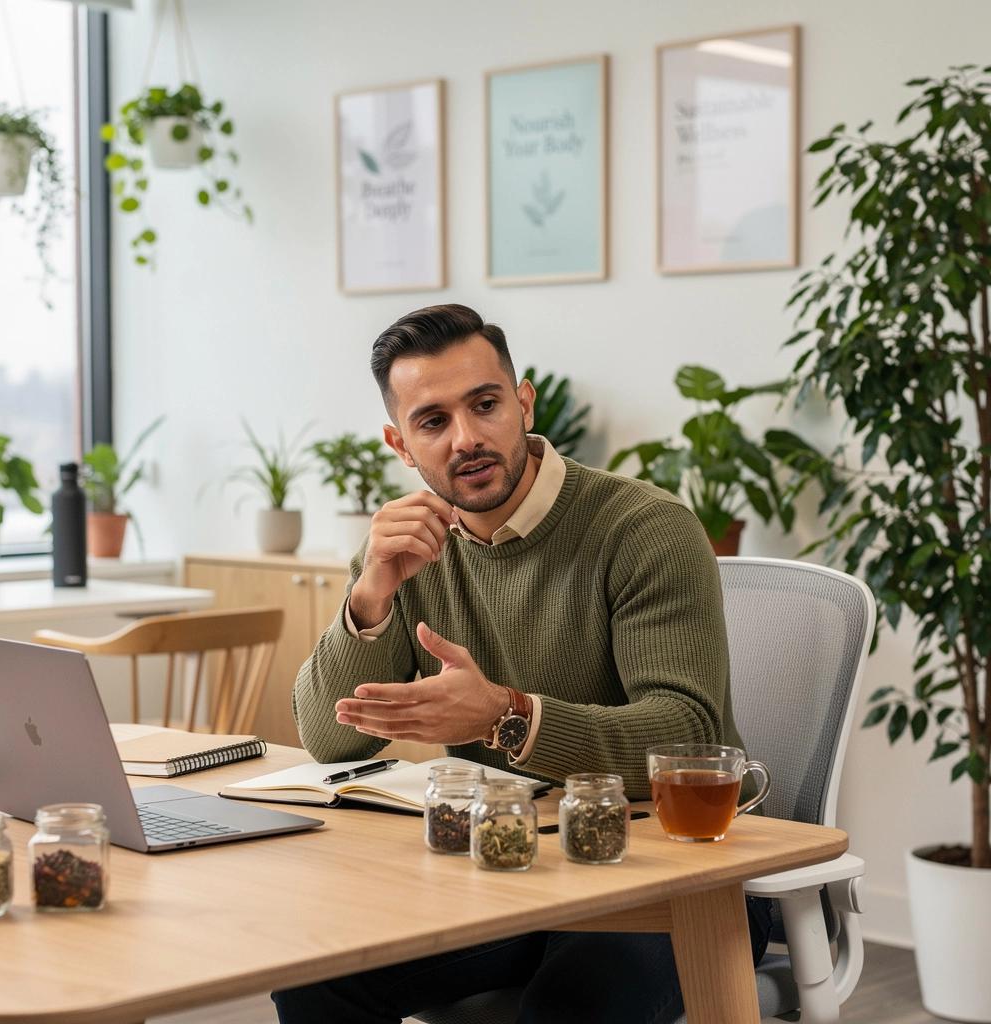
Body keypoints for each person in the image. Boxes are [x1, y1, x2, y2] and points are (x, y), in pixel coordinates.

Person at [274, 304, 771, 1024]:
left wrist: (508, 716)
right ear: (400, 444)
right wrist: (371, 590)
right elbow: (331, 739)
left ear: (523, 402)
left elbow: (684, 734)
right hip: (510, 870)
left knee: (574, 1002)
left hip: (673, 878)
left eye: (485, 405)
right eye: (433, 421)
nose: (467, 438)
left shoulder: (643, 529)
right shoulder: (408, 548)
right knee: (317, 971)